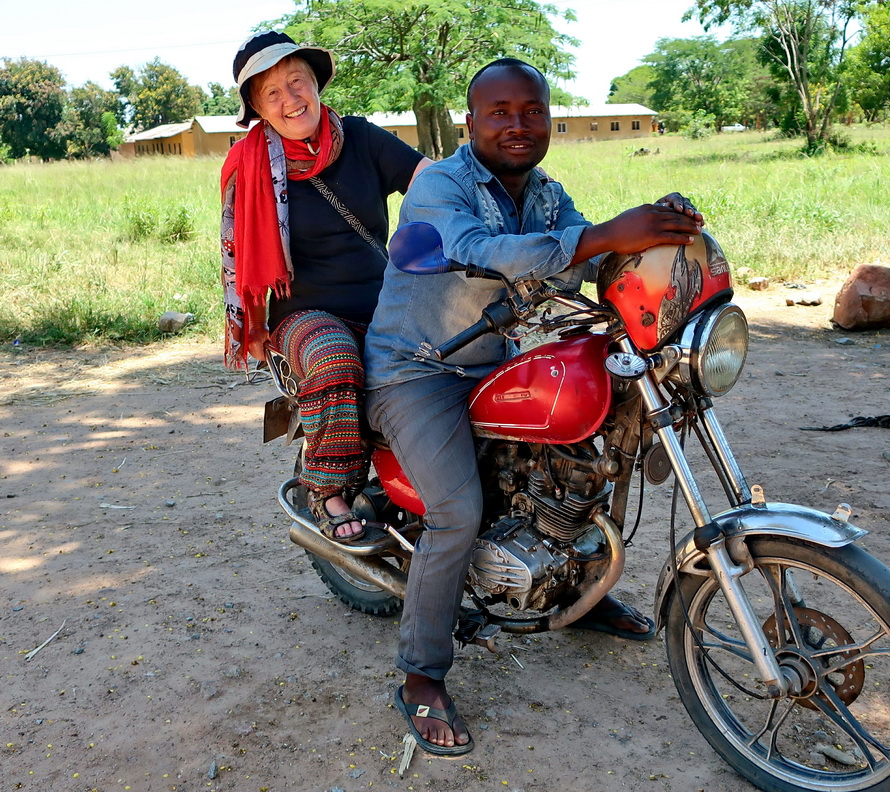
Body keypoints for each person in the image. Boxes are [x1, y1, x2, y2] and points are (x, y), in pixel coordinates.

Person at [362, 58, 704, 755]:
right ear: (471, 122)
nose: (518, 125)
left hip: (499, 353)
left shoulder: (547, 194)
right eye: (500, 112)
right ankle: (421, 676)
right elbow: (479, 249)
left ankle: (577, 590)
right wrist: (609, 233)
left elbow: (582, 257)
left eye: (532, 111)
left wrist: (653, 239)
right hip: (417, 368)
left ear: (550, 118)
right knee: (456, 512)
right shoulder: (439, 187)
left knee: (602, 439)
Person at [220, 31, 431, 543]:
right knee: (334, 354)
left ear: (316, 83)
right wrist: (251, 324)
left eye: (298, 82)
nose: (291, 100)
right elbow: (237, 260)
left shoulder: (360, 138)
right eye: (272, 93)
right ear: (256, 108)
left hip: (389, 304)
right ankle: (328, 490)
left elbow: (431, 179)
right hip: (305, 316)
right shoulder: (246, 168)